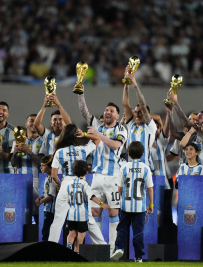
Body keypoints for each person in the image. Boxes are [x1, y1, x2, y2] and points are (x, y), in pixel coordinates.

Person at [78, 83, 128, 253]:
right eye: (106, 110)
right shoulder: (97, 125)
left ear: (117, 115)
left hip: (114, 177)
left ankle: (113, 249)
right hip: (97, 177)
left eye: (112, 111)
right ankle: (97, 249)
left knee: (114, 212)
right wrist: (80, 93)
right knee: (94, 211)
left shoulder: (121, 129)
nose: (108, 112)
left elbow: (115, 145)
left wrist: (98, 134)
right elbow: (84, 112)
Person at [48, 124, 104, 244]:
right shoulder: (83, 149)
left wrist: (59, 184)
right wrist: (84, 134)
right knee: (88, 219)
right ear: (75, 135)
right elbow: (98, 139)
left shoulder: (59, 152)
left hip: (66, 184)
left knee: (58, 220)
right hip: (81, 184)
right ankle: (102, 247)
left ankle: (50, 249)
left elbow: (53, 175)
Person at [110, 141, 154, 263]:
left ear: (128, 154)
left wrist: (123, 198)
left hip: (125, 205)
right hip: (140, 207)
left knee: (122, 228)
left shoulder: (123, 168)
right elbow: (150, 189)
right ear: (143, 153)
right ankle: (138, 257)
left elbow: (119, 189)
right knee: (138, 231)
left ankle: (120, 248)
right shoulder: (146, 168)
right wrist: (151, 205)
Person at [66, 160, 109, 253]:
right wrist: (102, 204)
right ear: (86, 172)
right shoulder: (85, 184)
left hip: (72, 214)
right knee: (81, 235)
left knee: (72, 233)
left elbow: (68, 200)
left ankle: (69, 245)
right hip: (83, 215)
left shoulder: (69, 184)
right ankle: (77, 252)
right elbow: (92, 196)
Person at [11, 114, 43, 224]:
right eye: (31, 121)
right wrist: (14, 153)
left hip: (38, 182)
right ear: (26, 125)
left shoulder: (43, 141)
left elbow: (42, 163)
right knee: (23, 212)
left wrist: (28, 151)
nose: (34, 123)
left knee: (38, 213)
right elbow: (13, 163)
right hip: (21, 182)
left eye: (36, 121)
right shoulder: (17, 141)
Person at [122, 65, 156, 169]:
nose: (136, 114)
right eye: (136, 112)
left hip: (144, 167)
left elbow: (142, 105)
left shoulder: (150, 127)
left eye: (140, 112)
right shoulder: (132, 124)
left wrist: (134, 82)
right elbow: (125, 105)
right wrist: (127, 83)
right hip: (129, 167)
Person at [35, 155, 57, 241]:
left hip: (51, 210)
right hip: (47, 209)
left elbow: (52, 195)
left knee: (47, 232)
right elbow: (46, 193)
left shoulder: (52, 178)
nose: (41, 167)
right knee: (46, 231)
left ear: (50, 167)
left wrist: (41, 201)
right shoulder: (47, 178)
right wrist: (40, 198)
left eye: (43, 165)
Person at [151, 106, 171, 189]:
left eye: (158, 128)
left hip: (162, 181)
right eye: (153, 128)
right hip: (148, 181)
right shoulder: (142, 141)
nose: (156, 130)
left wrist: (169, 113)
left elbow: (166, 130)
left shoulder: (161, 141)